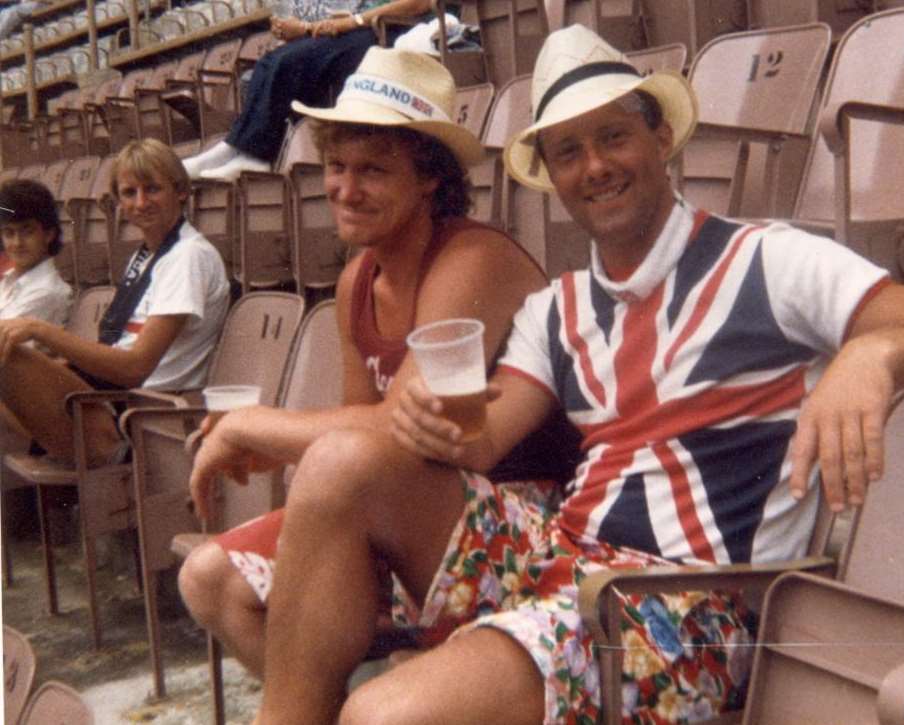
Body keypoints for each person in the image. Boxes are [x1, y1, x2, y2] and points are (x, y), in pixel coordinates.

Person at [243, 24, 904, 724]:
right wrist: (425, 426)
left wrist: (873, 354)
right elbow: (478, 442)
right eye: (567, 151)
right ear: (552, 177)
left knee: (382, 714)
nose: (594, 166)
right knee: (340, 461)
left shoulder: (770, 259)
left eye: (613, 136)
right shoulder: (556, 310)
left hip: (693, 607)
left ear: (660, 137)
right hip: (565, 561)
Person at [179, 47, 567, 679]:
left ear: (429, 179)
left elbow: (396, 427)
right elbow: (361, 421)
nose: (346, 190)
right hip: (405, 505)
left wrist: (251, 427)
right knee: (212, 580)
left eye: (374, 171)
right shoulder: (356, 281)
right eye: (336, 166)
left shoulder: (473, 256)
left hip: (520, 513)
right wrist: (275, 446)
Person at [0, 138, 229, 465]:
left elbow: (136, 367)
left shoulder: (188, 256)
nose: (141, 202)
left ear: (180, 191)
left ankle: (104, 455)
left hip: (139, 411)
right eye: (129, 193)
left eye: (152, 189)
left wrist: (39, 330)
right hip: (108, 395)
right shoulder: (145, 255)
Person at [180, 0, 431, 183]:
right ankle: (235, 148)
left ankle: (256, 155)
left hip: (391, 32)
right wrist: (316, 26)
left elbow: (417, 4)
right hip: (362, 27)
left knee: (289, 61)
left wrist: (349, 22)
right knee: (270, 60)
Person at [0, 179, 72, 328]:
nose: (17, 243)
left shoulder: (47, 291)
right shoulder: (8, 282)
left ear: (49, 234)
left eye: (27, 232)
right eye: (9, 233)